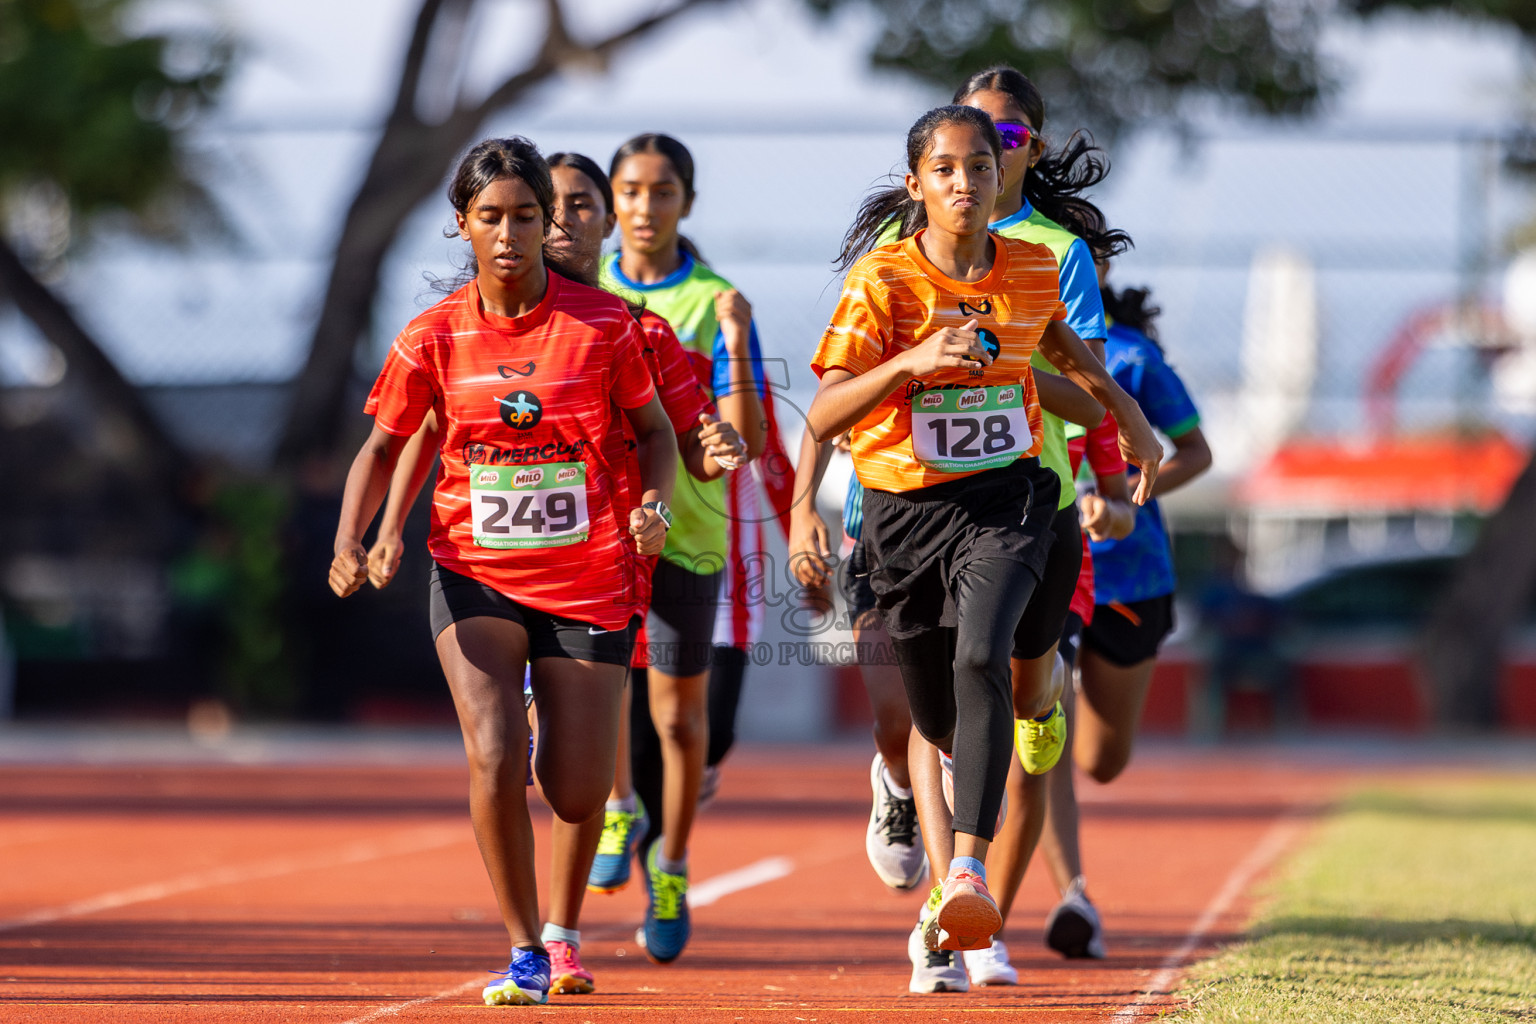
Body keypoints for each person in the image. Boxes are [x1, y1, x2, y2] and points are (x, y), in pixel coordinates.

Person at [362, 150, 744, 995]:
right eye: (503, 215)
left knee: (631, 757)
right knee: (495, 753)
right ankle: (533, 946)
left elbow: (684, 436)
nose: (540, 228)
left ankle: (644, 853)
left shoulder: (630, 328)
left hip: (626, 562)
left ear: (595, 223)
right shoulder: (444, 331)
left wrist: (712, 448)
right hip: (483, 569)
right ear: (467, 224)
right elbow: (416, 435)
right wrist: (379, 534)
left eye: (566, 209)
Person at [809, 104, 1162, 986]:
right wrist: (912, 364)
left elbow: (1066, 356)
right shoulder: (883, 281)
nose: (965, 182)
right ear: (915, 184)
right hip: (903, 516)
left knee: (983, 655)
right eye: (945, 169)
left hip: (1010, 501)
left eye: (979, 166)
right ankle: (981, 769)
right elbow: (824, 413)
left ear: (1002, 175)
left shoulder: (1031, 267)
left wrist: (1125, 413)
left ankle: (965, 872)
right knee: (935, 719)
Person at [942, 63, 1139, 987]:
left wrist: (1108, 478)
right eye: (969, 133)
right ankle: (904, 798)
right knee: (930, 719)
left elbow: (1089, 390)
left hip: (1033, 503)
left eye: (1007, 136)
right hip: (920, 505)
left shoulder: (1058, 253)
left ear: (1031, 147)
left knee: (1016, 719)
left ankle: (977, 921)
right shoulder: (909, 240)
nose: (985, 153)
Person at [597, 132, 769, 964]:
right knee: (598, 702)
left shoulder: (716, 301)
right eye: (630, 191)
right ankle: (616, 812)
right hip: (596, 536)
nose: (645, 207)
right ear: (609, 203)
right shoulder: (580, 292)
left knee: (681, 719)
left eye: (662, 191)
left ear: (687, 203)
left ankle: (670, 863)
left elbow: (751, 437)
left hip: (690, 534)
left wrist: (732, 348)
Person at [1035, 270, 1213, 961]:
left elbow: (1196, 451)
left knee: (1101, 761)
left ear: (1094, 269)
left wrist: (1125, 496)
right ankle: (1073, 897)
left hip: (1130, 580)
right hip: (1044, 569)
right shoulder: (1010, 340)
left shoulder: (1134, 358)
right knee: (1042, 736)